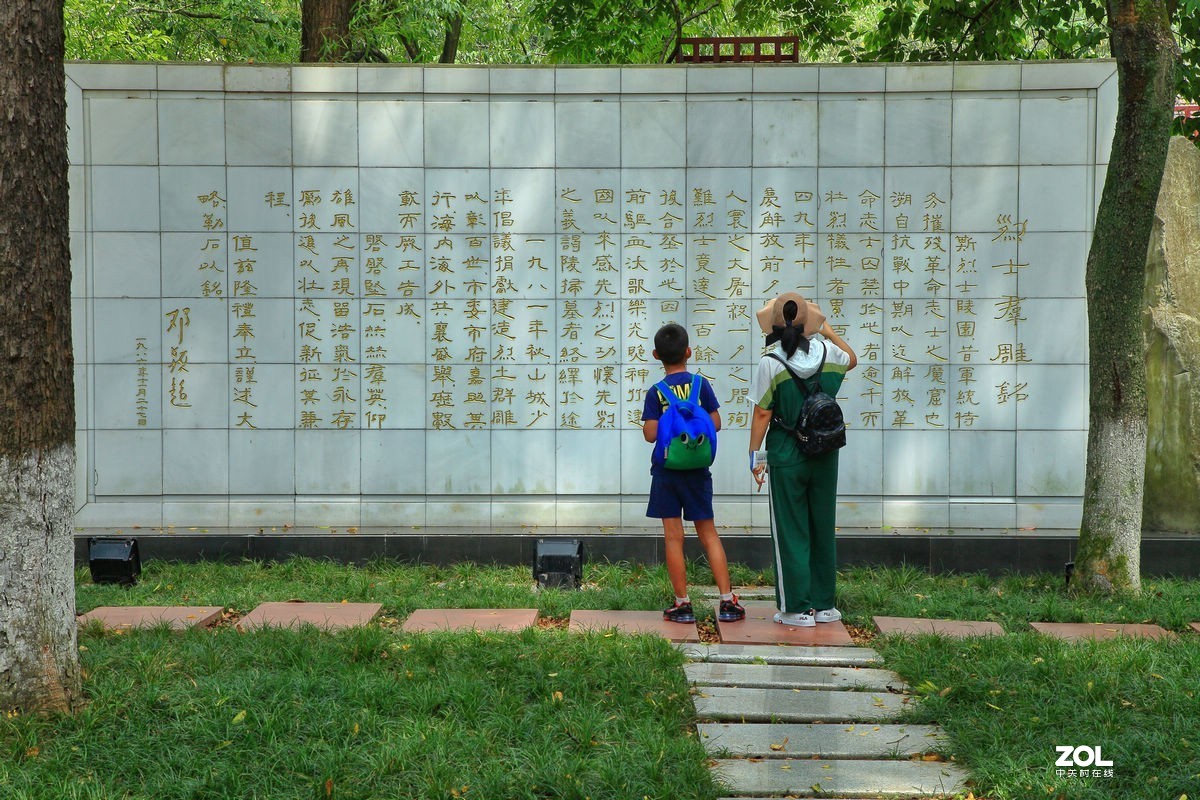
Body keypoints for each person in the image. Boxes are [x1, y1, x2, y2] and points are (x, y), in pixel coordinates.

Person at [748, 292, 857, 627]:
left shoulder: (771, 361)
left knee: (791, 529)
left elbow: (763, 414)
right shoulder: (828, 353)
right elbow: (852, 359)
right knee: (821, 526)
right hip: (825, 453)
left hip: (787, 452)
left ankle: (796, 608)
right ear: (810, 321)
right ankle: (824, 606)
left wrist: (756, 457)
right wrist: (826, 330)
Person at [642, 322, 745, 624]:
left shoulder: (656, 392)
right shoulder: (701, 385)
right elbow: (716, 423)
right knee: (708, 534)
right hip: (698, 472)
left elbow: (650, 434)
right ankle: (727, 602)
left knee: (674, 537)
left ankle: (682, 604)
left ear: (656, 355)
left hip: (666, 472)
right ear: (688, 352)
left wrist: (668, 424)